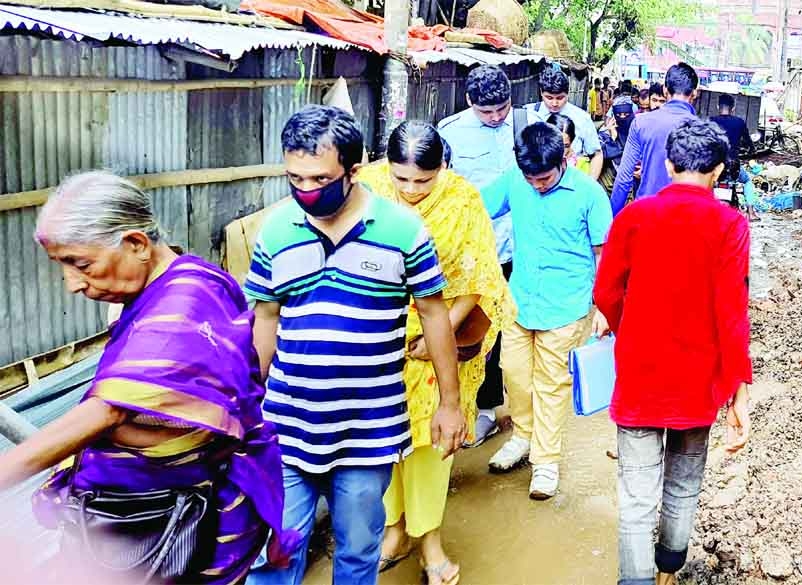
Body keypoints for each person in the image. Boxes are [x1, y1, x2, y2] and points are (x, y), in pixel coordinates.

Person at [0, 171, 299, 584]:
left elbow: (109, 411)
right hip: (150, 514)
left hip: (175, 523)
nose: (71, 284)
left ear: (137, 243)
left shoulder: (181, 305)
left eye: (80, 263)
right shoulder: (190, 277)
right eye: (62, 265)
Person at [246, 106, 466, 585]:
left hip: (368, 431)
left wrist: (450, 403)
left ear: (354, 169)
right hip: (286, 424)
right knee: (273, 556)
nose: (306, 190)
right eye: (294, 177)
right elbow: (264, 319)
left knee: (357, 556)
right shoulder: (276, 231)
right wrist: (243, 403)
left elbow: (433, 314)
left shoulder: (403, 232)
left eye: (319, 178)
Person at [593, 119, 752, 585]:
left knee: (637, 494)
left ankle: (635, 579)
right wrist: (740, 394)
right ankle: (668, 572)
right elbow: (732, 313)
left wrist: (630, 329)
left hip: (641, 374)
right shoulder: (730, 225)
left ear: (667, 163)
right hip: (698, 381)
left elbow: (606, 292)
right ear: (719, 171)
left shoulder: (634, 217)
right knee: (683, 485)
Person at [358, 121, 516, 585]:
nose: (409, 190)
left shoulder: (463, 199)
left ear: (441, 168)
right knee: (381, 437)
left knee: (430, 441)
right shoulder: (365, 188)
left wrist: (439, 334)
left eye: (422, 181)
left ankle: (429, 540)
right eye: (401, 178)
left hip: (435, 343)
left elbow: (480, 277)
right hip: (376, 336)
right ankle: (394, 530)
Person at [482, 123, 612, 500]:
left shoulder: (588, 193)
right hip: (520, 300)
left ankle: (546, 462)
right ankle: (522, 436)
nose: (537, 184)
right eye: (530, 178)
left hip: (567, 304)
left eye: (544, 177)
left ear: (565, 160)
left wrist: (603, 305)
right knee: (515, 373)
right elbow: (475, 206)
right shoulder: (514, 181)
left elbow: (604, 253)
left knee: (551, 384)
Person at [438, 65, 536, 447]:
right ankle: (479, 409)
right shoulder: (449, 132)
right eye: (486, 112)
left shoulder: (529, 123)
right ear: (469, 102)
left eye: (502, 109)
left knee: (518, 329)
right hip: (476, 253)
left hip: (525, 249)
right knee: (477, 334)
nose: (496, 118)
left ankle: (516, 412)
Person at [611, 62, 700, 216]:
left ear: (665, 90)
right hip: (684, 220)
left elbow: (623, 179)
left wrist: (610, 222)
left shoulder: (641, 123)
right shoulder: (702, 130)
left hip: (646, 215)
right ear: (694, 93)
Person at [526, 67, 605, 180]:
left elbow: (597, 155)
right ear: (541, 92)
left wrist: (589, 187)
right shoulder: (528, 115)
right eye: (549, 97)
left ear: (568, 93)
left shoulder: (582, 119)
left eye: (560, 98)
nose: (554, 103)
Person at [710, 93, 760, 221]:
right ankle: (751, 212)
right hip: (734, 168)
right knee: (747, 181)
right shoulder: (739, 122)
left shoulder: (710, 121)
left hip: (715, 169)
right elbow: (749, 143)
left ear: (718, 106)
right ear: (733, 108)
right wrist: (751, 150)